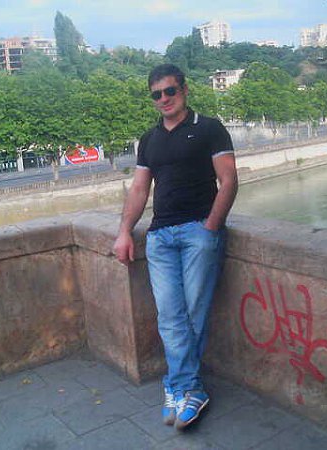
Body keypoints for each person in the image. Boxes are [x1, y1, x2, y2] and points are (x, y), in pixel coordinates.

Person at [113, 64, 238, 430]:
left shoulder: (210, 128)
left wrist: (211, 227)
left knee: (193, 313)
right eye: (157, 94)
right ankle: (187, 388)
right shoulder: (149, 140)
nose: (164, 99)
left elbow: (229, 180)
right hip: (160, 237)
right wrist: (124, 232)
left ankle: (180, 386)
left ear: (184, 90)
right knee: (169, 317)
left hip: (198, 231)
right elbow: (139, 189)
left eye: (170, 91)